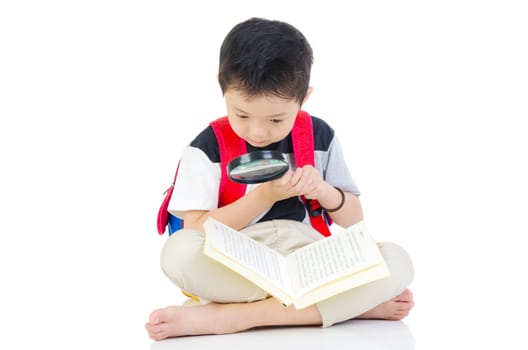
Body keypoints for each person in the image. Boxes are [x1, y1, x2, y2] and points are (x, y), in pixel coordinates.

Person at [145, 17, 414, 340]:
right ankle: (346, 305)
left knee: (397, 260)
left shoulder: (319, 137)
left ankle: (234, 317)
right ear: (222, 87)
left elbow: (353, 218)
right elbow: (195, 230)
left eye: (276, 118)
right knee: (178, 252)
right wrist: (263, 197)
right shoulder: (206, 147)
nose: (258, 131)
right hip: (241, 261)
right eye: (242, 114)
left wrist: (323, 191)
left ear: (304, 97)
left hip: (309, 256)